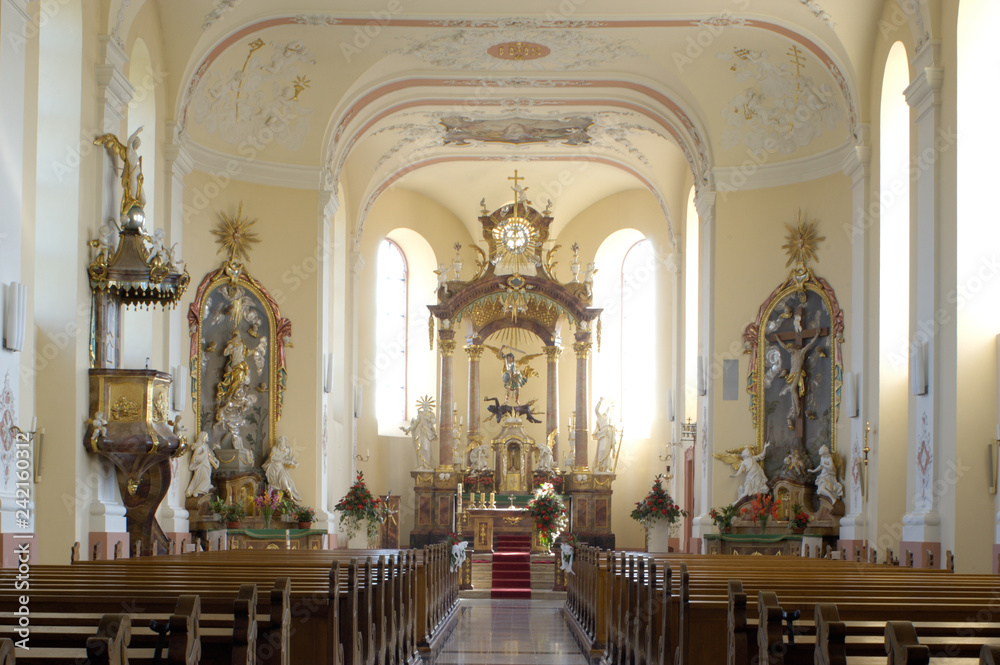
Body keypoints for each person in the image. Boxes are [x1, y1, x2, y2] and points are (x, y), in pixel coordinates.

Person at [401, 396, 437, 470]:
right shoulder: (420, 414)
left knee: (426, 448)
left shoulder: (431, 414)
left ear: (429, 406)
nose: (425, 406)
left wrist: (429, 419)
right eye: (424, 405)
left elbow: (434, 421)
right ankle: (423, 465)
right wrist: (407, 429)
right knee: (420, 448)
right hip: (420, 432)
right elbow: (415, 424)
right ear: (422, 406)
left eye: (427, 405)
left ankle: (428, 464)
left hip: (427, 433)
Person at [263, 435, 302, 502]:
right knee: (274, 485)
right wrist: (281, 460)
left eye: (281, 440)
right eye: (279, 440)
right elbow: (272, 458)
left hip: (281, 469)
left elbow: (290, 459)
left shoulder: (287, 450)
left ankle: (291, 498)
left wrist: (291, 460)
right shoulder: (275, 448)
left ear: (285, 442)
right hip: (273, 468)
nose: (280, 441)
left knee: (285, 482)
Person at [185, 432, 219, 497]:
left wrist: (215, 461)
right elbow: (194, 458)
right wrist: (203, 454)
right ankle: (196, 491)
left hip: (207, 466)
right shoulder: (200, 447)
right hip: (201, 466)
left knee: (207, 481)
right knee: (206, 480)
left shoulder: (206, 446)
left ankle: (196, 490)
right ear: (203, 438)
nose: (208, 438)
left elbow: (209, 457)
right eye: (207, 436)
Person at [592, 397, 617, 473]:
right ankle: (600, 466)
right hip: (602, 435)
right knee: (602, 450)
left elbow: (613, 439)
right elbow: (596, 410)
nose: (607, 411)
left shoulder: (611, 427)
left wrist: (614, 450)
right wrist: (600, 402)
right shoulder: (601, 417)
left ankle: (605, 468)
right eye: (606, 409)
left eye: (608, 410)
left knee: (607, 453)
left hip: (608, 437)